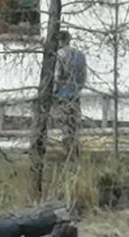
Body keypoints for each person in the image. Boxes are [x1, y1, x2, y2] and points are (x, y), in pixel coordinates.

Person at [54, 29, 87, 158]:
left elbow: (57, 75)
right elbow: (83, 76)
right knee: (74, 125)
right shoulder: (80, 55)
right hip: (75, 94)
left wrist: (54, 91)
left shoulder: (60, 55)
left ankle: (68, 154)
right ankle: (75, 151)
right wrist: (78, 88)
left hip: (63, 94)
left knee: (65, 126)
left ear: (60, 41)